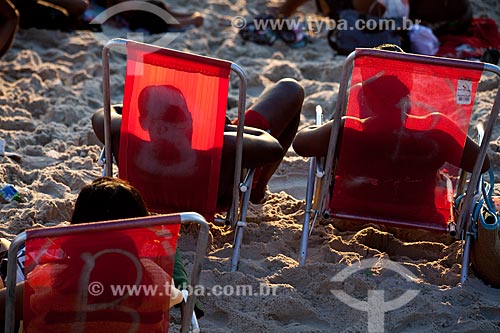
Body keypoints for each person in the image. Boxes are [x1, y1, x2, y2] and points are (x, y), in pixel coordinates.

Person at [293, 73, 490, 222]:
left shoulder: (348, 130)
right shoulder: (436, 132)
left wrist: (331, 123)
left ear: (364, 102)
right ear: (409, 100)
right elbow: (482, 164)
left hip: (351, 217)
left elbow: (300, 144)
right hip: (420, 221)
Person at [92, 78, 304, 206]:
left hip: (149, 188)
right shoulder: (222, 146)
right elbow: (272, 148)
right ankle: (256, 192)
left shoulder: (129, 140)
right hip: (216, 181)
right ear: (189, 119)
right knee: (290, 88)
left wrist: (139, 122)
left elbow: (102, 115)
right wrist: (221, 130)